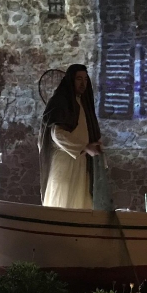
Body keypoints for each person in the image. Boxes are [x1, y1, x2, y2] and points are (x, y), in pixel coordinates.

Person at [38, 64, 102, 209]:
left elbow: (90, 131)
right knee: (63, 203)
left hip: (81, 162)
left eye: (85, 79)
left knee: (81, 203)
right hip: (64, 162)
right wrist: (84, 147)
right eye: (79, 79)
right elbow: (57, 134)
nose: (83, 83)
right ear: (71, 80)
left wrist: (95, 147)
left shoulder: (84, 103)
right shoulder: (60, 102)